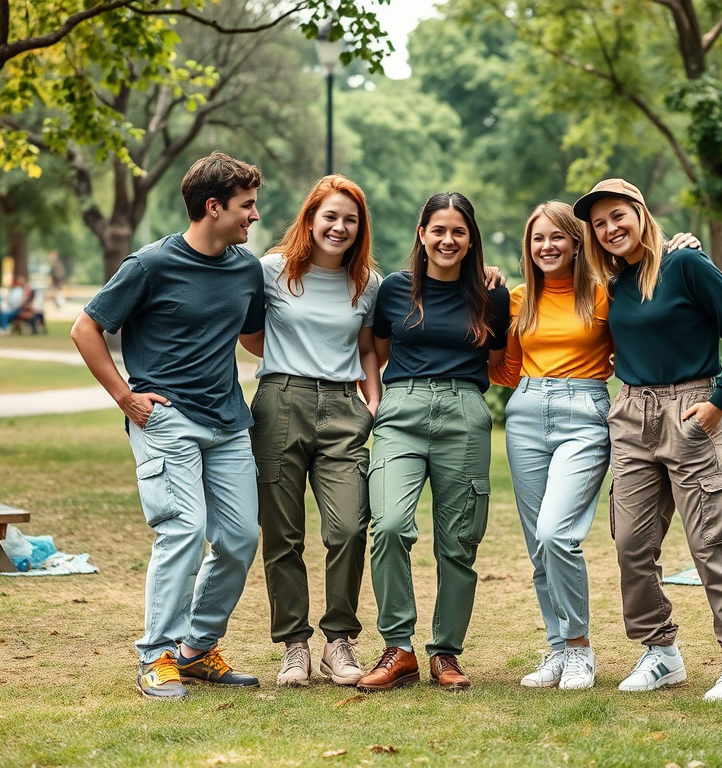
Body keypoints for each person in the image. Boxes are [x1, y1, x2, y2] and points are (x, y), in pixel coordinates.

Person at [71, 151, 266, 700]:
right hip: (166, 419)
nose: (253, 216)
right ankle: (156, 655)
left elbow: (254, 336)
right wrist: (124, 396)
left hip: (228, 421)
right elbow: (86, 328)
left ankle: (198, 649)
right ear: (213, 207)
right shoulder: (150, 264)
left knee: (239, 538)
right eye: (246, 206)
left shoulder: (244, 267)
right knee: (182, 529)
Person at [489, 202, 700, 691]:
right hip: (525, 411)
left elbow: (653, 313)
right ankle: (557, 648)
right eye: (538, 238)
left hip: (584, 414)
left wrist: (678, 249)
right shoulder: (519, 300)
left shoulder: (605, 294)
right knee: (537, 545)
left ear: (577, 242)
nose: (547, 246)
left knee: (554, 533)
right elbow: (505, 370)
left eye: (557, 237)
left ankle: (580, 649)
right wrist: (482, 309)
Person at [574, 177, 722, 701]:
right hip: (632, 413)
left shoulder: (686, 264)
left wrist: (719, 400)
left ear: (640, 213)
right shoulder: (613, 284)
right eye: (600, 223)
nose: (611, 228)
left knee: (710, 541)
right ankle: (660, 651)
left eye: (619, 216)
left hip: (690, 408)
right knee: (632, 543)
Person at [356, 192, 510, 693]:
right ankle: (398, 648)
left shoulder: (492, 296)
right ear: (422, 235)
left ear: (471, 241)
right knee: (391, 526)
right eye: (438, 230)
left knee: (459, 541)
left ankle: (445, 652)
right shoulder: (396, 290)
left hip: (465, 413)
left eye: (458, 232)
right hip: (400, 412)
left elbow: (497, 359)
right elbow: (373, 350)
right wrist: (376, 400)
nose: (447, 239)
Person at [239, 175, 381, 688]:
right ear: (310, 218)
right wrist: (290, 363)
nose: (339, 227)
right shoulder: (271, 271)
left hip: (345, 409)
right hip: (281, 403)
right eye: (331, 217)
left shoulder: (367, 283)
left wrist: (372, 400)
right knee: (282, 533)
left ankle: (338, 641)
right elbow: (252, 335)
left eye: (350, 219)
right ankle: (294, 645)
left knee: (347, 527)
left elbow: (368, 348)